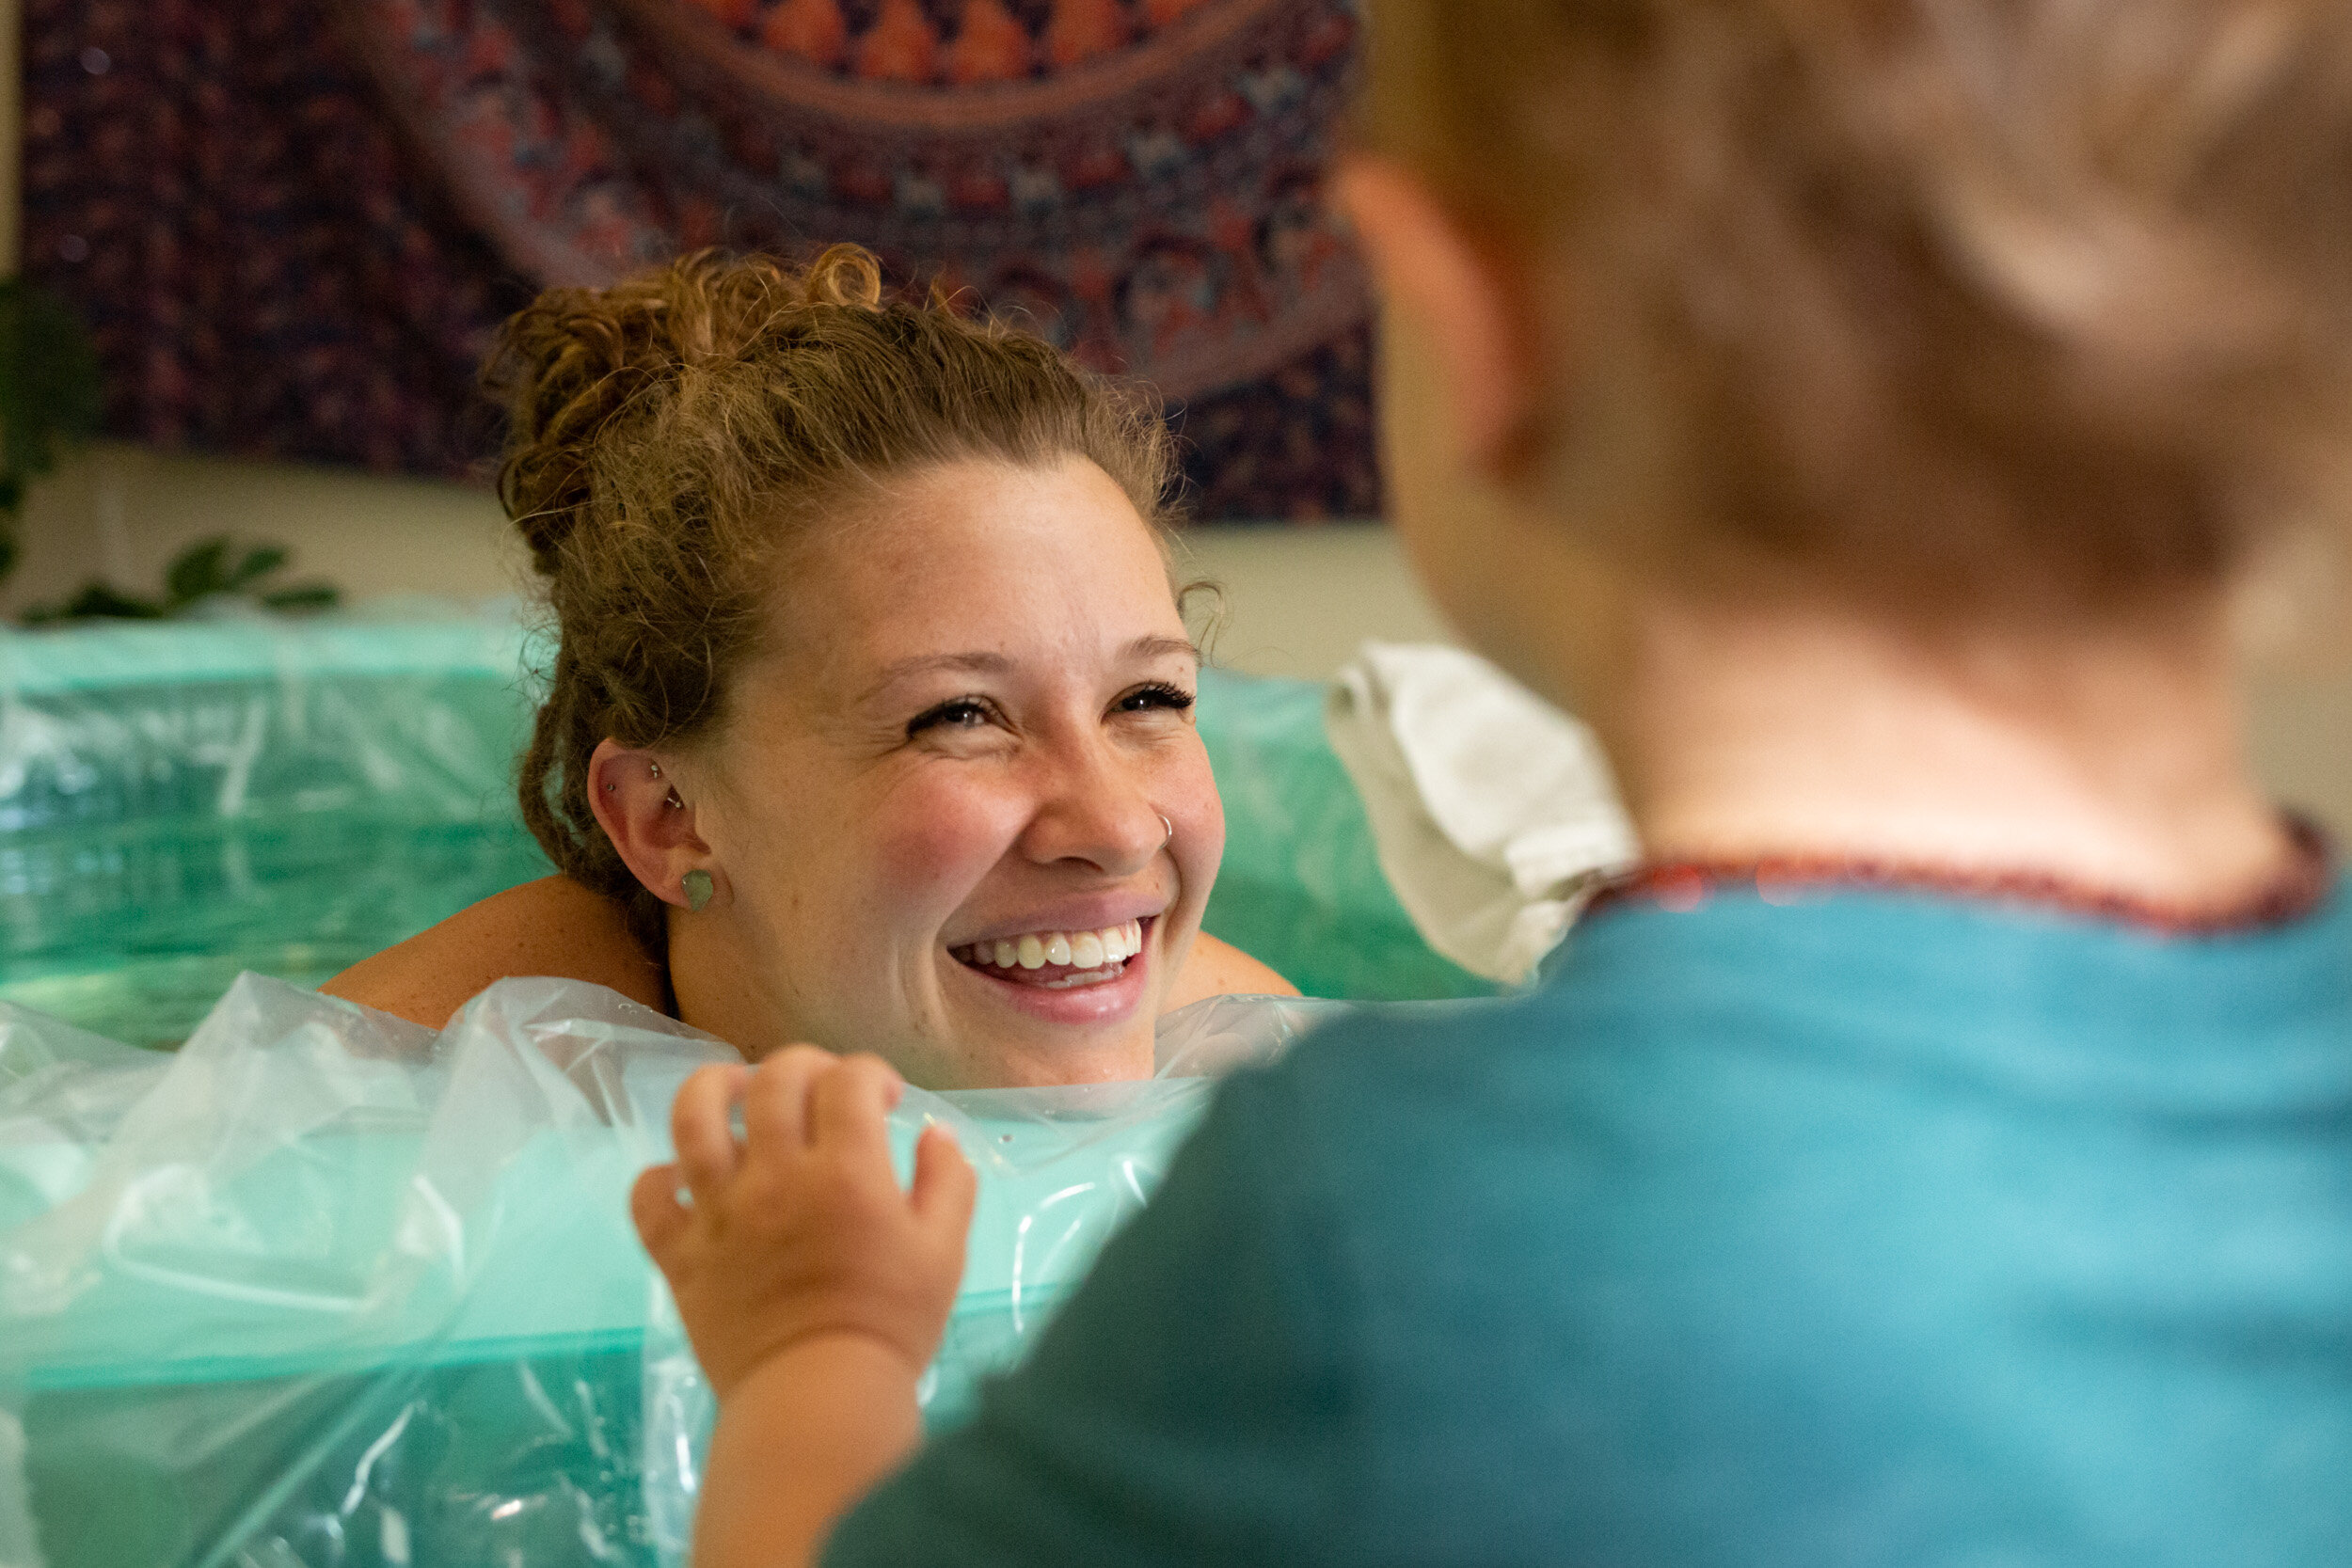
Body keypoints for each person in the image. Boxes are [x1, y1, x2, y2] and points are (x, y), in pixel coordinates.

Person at [634, 2, 2352, 1564]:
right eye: (958, 718)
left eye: (1154, 694)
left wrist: (818, 1346)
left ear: (1475, 319)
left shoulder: (1376, 1217)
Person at [325, 245, 1290, 1087]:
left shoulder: (1266, 1072)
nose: (1118, 829)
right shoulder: (383, 1104)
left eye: (1147, 697)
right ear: (668, 815)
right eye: (960, 715)